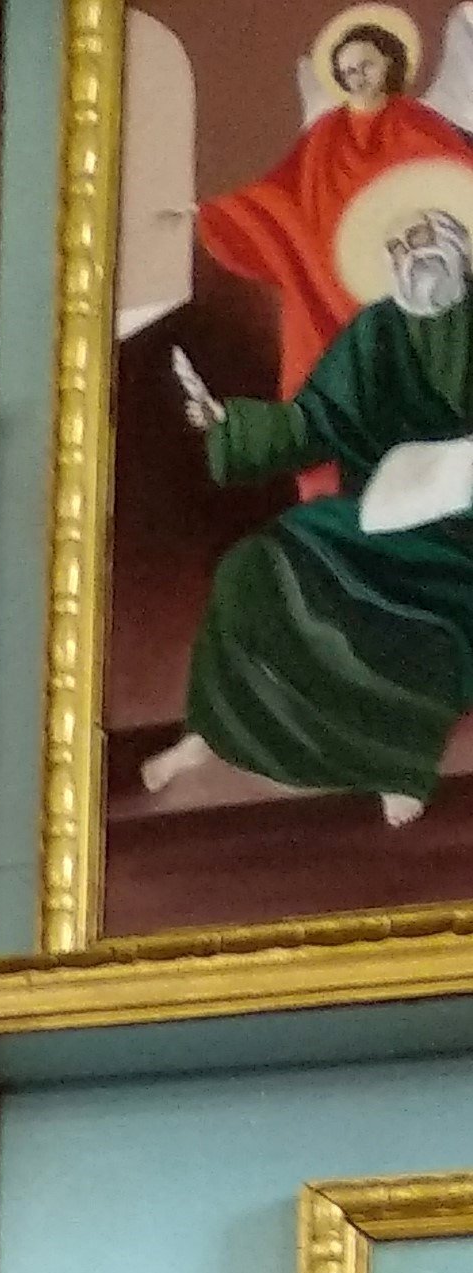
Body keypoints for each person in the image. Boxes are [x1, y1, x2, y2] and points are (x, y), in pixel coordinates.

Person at [148, 206, 473, 825]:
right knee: (253, 565)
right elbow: (313, 421)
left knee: (426, 617)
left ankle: (395, 767)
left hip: (464, 536)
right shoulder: (376, 333)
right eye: (401, 248)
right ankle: (214, 731)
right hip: (383, 513)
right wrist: (228, 424)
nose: (414, 257)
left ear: (457, 247)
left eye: (426, 242)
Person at [197, 18, 473, 408]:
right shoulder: (323, 138)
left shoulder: (420, 122)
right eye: (348, 72)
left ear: (389, 61)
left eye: (365, 65)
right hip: (348, 280)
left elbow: (457, 178)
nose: (358, 78)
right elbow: (281, 197)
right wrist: (224, 214)